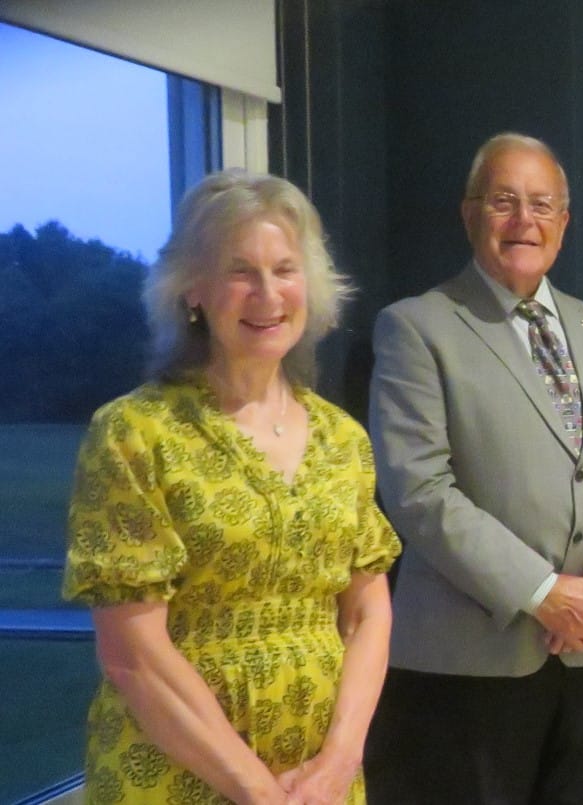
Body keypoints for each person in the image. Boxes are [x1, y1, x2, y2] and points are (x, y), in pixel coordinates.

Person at [62, 170, 400, 804]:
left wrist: (337, 764)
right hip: (176, 779)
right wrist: (258, 792)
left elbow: (366, 613)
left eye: (285, 270)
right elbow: (133, 655)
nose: (267, 294)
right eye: (240, 272)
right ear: (192, 289)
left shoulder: (343, 439)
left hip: (320, 785)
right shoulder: (134, 434)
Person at [364, 132, 583, 803]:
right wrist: (543, 591)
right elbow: (419, 490)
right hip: (471, 662)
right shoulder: (416, 327)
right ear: (469, 212)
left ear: (564, 221)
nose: (523, 220)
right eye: (503, 201)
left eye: (541, 204)